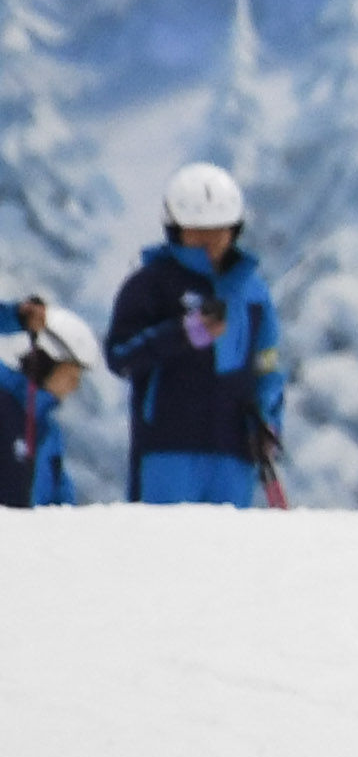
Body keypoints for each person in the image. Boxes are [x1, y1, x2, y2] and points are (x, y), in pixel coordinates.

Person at [103, 164, 279, 507]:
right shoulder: (150, 284)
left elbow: (267, 365)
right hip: (166, 450)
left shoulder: (252, 292)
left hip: (233, 452)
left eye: (219, 230)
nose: (208, 240)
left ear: (235, 229)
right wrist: (185, 333)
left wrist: (269, 420)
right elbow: (121, 356)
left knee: (225, 553)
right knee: (163, 550)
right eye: (196, 231)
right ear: (175, 230)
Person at [9, 301, 102, 507]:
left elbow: (61, 499)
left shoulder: (48, 430)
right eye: (70, 375)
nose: (74, 386)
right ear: (45, 362)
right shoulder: (8, 404)